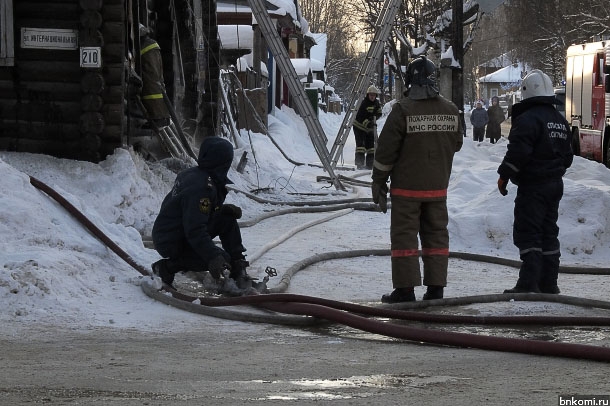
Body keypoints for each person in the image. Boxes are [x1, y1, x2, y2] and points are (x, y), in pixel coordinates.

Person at [371, 56, 463, 303]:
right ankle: (436, 288)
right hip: (437, 190)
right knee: (437, 238)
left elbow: (386, 152)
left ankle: (405, 290)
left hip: (406, 191)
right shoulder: (451, 110)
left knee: (404, 238)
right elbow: (457, 144)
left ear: (410, 81)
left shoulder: (403, 110)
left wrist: (378, 181)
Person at [497, 69, 573, 294]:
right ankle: (549, 283)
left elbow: (518, 152)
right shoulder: (559, 120)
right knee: (549, 232)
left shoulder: (528, 119)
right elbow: (567, 157)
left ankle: (528, 283)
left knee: (529, 232)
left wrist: (504, 175)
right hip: (554, 185)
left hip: (533, 187)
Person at [151, 136, 252, 289]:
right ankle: (166, 267)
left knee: (227, 218)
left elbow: (193, 214)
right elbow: (195, 230)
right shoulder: (202, 188)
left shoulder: (197, 174)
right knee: (222, 259)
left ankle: (238, 267)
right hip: (170, 240)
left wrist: (220, 210)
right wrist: (213, 256)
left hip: (178, 230)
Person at [139, 24, 171, 129]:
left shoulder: (146, 46)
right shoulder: (150, 44)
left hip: (148, 56)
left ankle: (159, 117)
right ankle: (161, 116)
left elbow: (151, 77)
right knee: (155, 82)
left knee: (151, 82)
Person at [352, 85, 382, 169]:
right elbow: (360, 116)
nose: (372, 96)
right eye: (370, 95)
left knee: (371, 146)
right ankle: (359, 163)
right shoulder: (363, 103)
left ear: (376, 96)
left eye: (374, 95)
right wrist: (368, 122)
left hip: (370, 128)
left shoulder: (376, 103)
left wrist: (374, 118)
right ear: (368, 95)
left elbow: (379, 112)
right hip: (359, 127)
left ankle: (370, 164)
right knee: (361, 145)